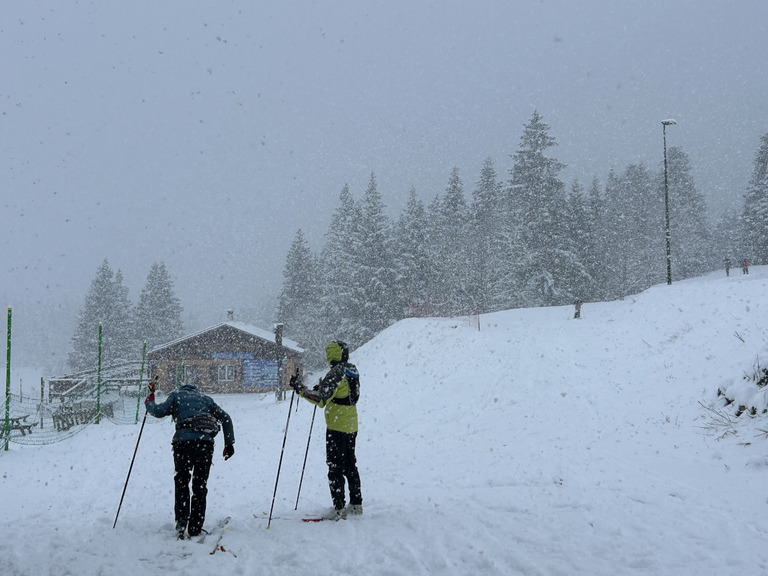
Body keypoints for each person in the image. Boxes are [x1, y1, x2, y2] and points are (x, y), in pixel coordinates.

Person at [144, 375, 235, 539]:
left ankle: (181, 522)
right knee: (200, 485)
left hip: (183, 444)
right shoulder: (206, 400)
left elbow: (158, 411)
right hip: (204, 445)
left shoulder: (176, 396)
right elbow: (226, 418)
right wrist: (229, 444)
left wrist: (149, 400)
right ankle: (195, 527)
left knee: (182, 481)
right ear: (196, 389)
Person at [290, 341, 363, 520]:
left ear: (332, 355)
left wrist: (300, 389)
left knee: (334, 467)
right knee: (350, 464)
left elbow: (321, 400)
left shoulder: (335, 373)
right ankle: (356, 504)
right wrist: (323, 389)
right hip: (351, 424)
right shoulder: (351, 369)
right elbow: (343, 394)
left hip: (337, 427)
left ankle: (339, 508)